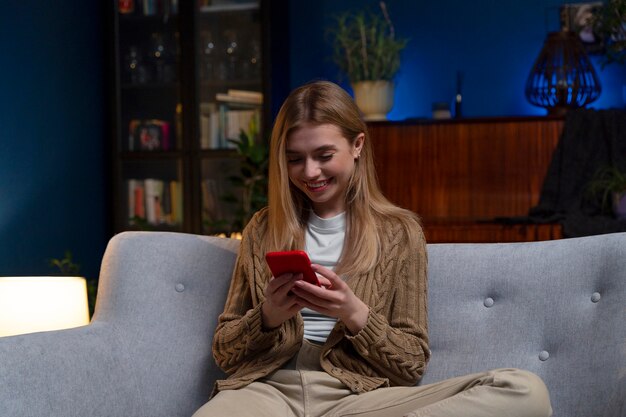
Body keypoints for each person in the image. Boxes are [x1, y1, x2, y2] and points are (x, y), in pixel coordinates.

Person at [192, 81, 552, 417]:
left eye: (324, 154)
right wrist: (268, 315)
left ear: (357, 145)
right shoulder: (262, 228)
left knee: (524, 391)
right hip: (267, 393)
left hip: (355, 399)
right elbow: (225, 351)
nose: (310, 171)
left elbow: (411, 363)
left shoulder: (400, 232)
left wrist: (354, 313)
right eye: (295, 159)